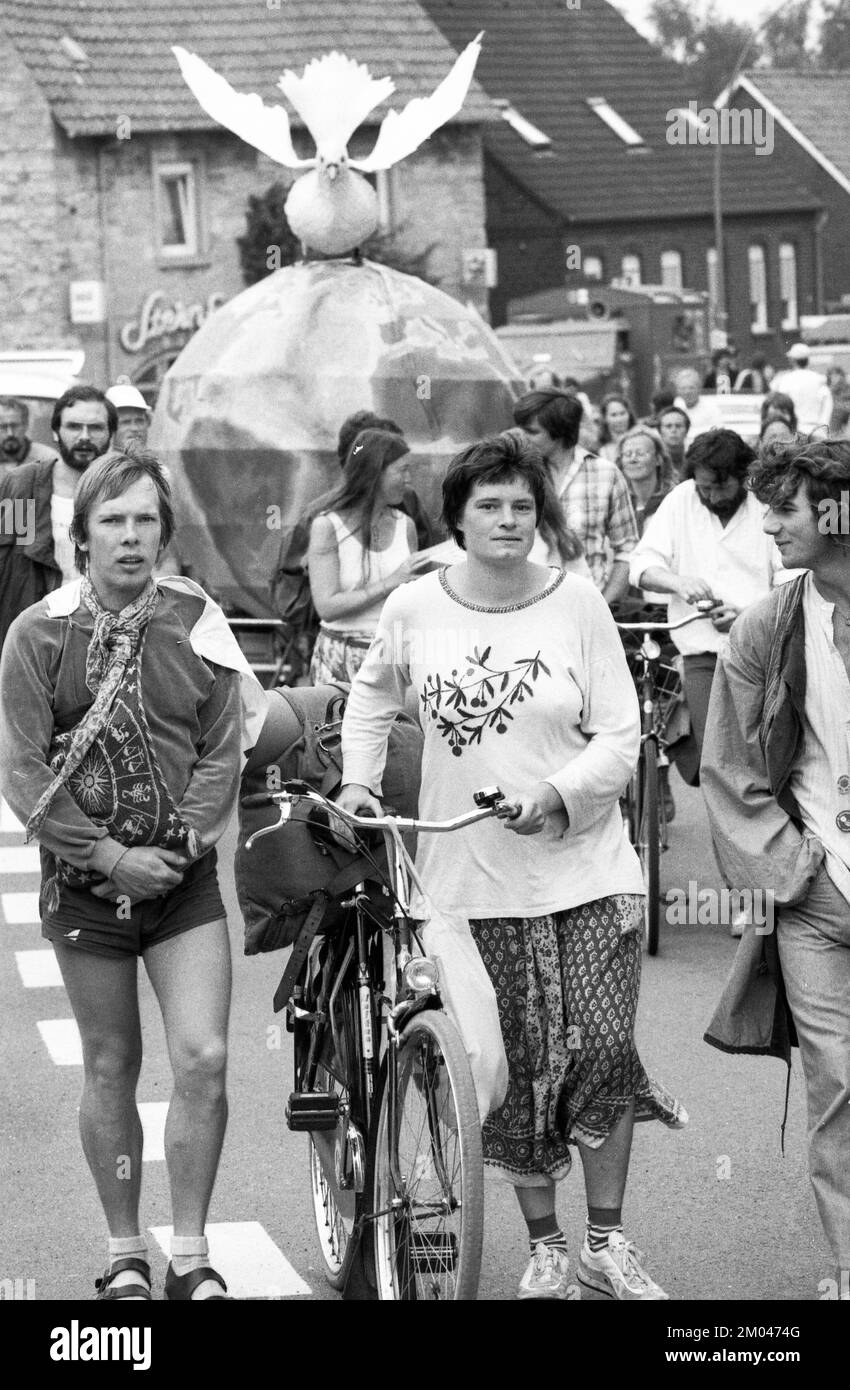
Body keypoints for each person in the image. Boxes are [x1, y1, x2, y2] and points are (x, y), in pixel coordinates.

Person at [337, 431, 685, 1301]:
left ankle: (606, 1242)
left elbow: (618, 732)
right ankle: (546, 1247)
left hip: (590, 870)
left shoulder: (576, 604)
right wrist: (357, 782)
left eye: (522, 506)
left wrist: (557, 795)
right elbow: (372, 697)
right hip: (468, 880)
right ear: (454, 516)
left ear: (542, 515)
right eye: (488, 505)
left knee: (602, 1053)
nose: (506, 519)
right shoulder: (416, 609)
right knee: (518, 1068)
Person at [0, 448, 265, 1301]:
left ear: (164, 531)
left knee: (206, 1055)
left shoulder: (197, 618)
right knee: (112, 1063)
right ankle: (125, 1252)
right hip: (85, 884)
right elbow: (22, 767)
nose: (129, 537)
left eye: (145, 519)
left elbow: (224, 740)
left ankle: (190, 1254)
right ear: (81, 537)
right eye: (111, 521)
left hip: (182, 880)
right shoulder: (37, 632)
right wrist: (110, 856)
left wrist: (183, 844)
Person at [701, 438, 850, 1294]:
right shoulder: (767, 625)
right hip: (818, 896)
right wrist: (792, 869)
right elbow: (727, 769)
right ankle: (845, 1263)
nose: (768, 525)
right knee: (838, 1085)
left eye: (786, 509)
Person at [628, 430, 793, 792]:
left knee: (763, 753)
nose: (712, 496)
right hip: (701, 651)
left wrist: (747, 615)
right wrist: (678, 581)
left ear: (743, 476)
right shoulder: (681, 499)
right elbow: (641, 565)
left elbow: (790, 578)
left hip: (761, 649)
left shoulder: (765, 504)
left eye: (721, 487)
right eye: (705, 488)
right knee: (715, 761)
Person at [306, 427, 431, 683]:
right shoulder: (327, 526)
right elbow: (327, 607)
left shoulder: (404, 524)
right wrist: (390, 583)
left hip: (393, 656)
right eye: (402, 470)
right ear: (375, 472)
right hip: (340, 659)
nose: (409, 480)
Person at [0, 384, 116, 653]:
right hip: (41, 639)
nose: (84, 437)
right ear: (56, 431)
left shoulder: (125, 490)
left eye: (96, 428)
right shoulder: (25, 488)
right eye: (74, 426)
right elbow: (10, 561)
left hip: (107, 639)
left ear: (110, 433)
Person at [513, 389, 638, 604]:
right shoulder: (516, 475)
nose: (522, 437)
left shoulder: (605, 474)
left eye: (532, 431)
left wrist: (602, 605)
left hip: (585, 604)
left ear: (559, 432)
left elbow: (627, 551)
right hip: (524, 607)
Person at [772, 343, 832, 432]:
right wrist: (823, 428)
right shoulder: (820, 379)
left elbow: (780, 405)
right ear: (808, 360)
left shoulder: (786, 380)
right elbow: (827, 405)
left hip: (793, 430)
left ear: (792, 360)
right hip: (815, 429)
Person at [0, 396, 59, 473]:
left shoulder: (47, 459)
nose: (10, 433)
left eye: (14, 426)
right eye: (3, 427)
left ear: (26, 425)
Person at [673, 368, 723, 444]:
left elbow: (719, 433)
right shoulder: (676, 405)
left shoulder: (711, 408)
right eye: (683, 388)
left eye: (691, 388)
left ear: (699, 389)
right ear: (677, 391)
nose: (687, 392)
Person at [105, 382, 151, 451]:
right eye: (126, 422)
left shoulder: (159, 461)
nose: (135, 428)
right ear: (109, 428)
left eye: (140, 421)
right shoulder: (102, 461)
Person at [597, 392, 636, 461]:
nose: (619, 419)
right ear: (605, 418)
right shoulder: (600, 449)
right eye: (613, 415)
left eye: (622, 413)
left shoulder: (642, 437)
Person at [656, 405, 690, 481]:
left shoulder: (694, 460)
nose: (673, 430)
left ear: (687, 430)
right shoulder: (654, 462)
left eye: (678, 426)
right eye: (668, 426)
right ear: (660, 431)